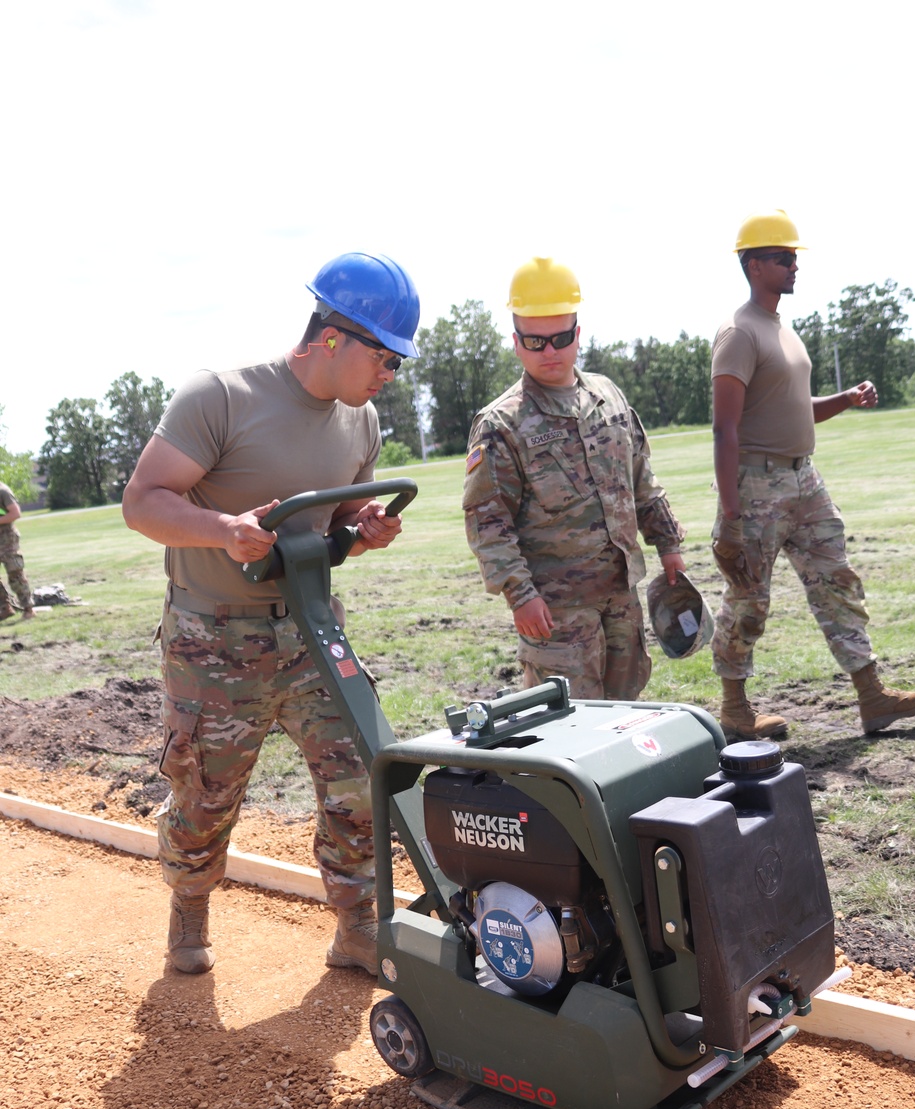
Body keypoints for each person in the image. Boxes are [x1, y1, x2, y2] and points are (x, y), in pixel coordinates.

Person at [122, 252, 419, 977]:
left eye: (398, 363)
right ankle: (189, 905)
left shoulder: (363, 419)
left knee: (359, 779)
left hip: (314, 631)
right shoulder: (220, 398)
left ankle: (356, 925)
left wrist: (366, 523)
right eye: (383, 357)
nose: (389, 375)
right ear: (332, 338)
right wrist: (223, 528)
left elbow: (339, 511)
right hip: (214, 639)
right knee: (205, 791)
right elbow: (144, 501)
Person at [710, 210, 915, 741]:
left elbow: (793, 407)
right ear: (752, 266)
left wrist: (846, 399)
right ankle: (734, 711)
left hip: (804, 482)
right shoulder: (739, 333)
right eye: (782, 258)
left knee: (838, 581)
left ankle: (873, 698)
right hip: (757, 487)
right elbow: (725, 429)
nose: (794, 265)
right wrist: (729, 516)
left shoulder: (781, 330)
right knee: (749, 596)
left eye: (794, 256)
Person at [462, 257, 688, 699]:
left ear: (578, 334)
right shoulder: (501, 424)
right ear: (516, 343)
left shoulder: (609, 397)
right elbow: (488, 523)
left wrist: (669, 545)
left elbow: (641, 480)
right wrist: (520, 595)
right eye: (535, 341)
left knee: (624, 712)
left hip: (621, 596)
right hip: (555, 612)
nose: (550, 351)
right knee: (567, 726)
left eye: (561, 338)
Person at [0, 482, 34, 621]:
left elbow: (15, 513)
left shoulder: (3, 491)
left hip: (7, 538)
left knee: (15, 573)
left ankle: (28, 609)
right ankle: (5, 608)